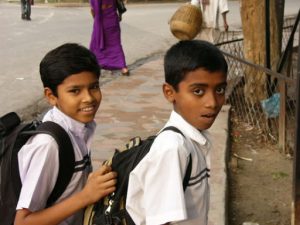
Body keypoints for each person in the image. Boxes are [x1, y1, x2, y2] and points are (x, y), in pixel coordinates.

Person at [126, 40, 228, 225]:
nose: (212, 102)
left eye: (220, 89)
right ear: (169, 92)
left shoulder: (192, 139)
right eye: (198, 91)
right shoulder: (173, 149)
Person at [14, 43, 117, 225]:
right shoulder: (48, 145)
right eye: (75, 91)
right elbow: (23, 222)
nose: (89, 98)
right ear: (51, 96)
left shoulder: (80, 128)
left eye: (94, 86)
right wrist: (86, 195)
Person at [89, 0, 129, 76]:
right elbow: (119, 4)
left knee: (96, 44)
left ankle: (95, 64)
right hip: (113, 20)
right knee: (116, 44)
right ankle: (124, 68)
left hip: (102, 22)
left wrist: (96, 21)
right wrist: (119, 16)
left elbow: (93, 10)